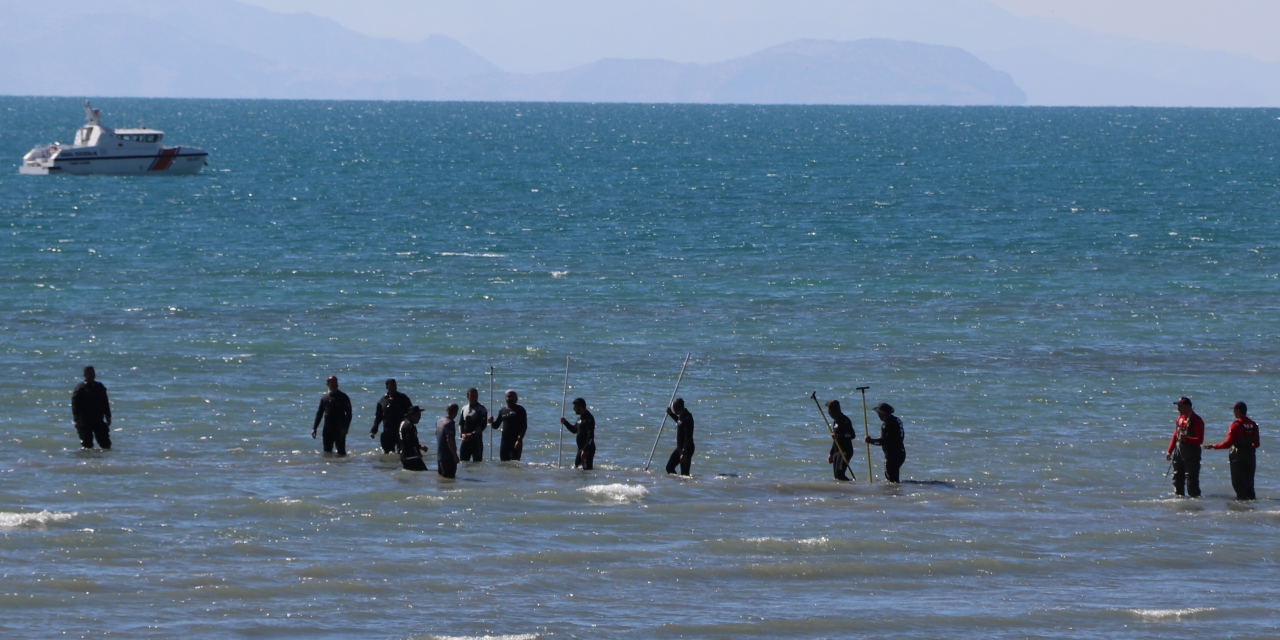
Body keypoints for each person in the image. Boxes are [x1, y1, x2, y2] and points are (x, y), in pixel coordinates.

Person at [1204, 401, 1260, 501]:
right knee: (1249, 483)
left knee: (1238, 483)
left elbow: (1228, 444)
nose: (1233, 413)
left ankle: (1242, 507)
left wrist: (1213, 446)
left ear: (1238, 411)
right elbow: (1256, 444)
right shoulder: (1254, 425)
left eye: (1234, 410)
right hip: (1251, 455)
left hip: (1238, 456)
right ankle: (1252, 504)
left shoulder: (1235, 425)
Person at [1166, 396, 1205, 497]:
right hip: (1179, 453)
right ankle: (1180, 501)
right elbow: (1175, 435)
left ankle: (1195, 503)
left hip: (1192, 454)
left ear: (1188, 407)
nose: (1178, 409)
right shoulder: (1179, 419)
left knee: (1191, 479)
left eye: (1180, 406)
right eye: (1178, 406)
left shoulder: (1197, 421)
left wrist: (1186, 439)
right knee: (1177, 478)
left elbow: (1199, 440)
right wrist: (1169, 451)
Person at [71, 366, 112, 449]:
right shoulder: (81, 388)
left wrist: (108, 416)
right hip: (85, 420)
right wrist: (76, 419)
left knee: (106, 444)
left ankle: (105, 460)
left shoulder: (99, 386)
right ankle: (88, 461)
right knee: (87, 445)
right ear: (85, 374)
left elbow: (105, 402)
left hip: (99, 419)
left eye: (93, 372)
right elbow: (75, 404)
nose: (92, 374)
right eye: (90, 372)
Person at [311, 375, 352, 456]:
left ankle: (341, 467)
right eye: (331, 382)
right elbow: (319, 413)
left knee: (341, 451)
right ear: (328, 384)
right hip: (327, 428)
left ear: (337, 384)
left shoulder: (343, 396)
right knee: (327, 451)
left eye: (335, 382)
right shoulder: (324, 397)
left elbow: (349, 414)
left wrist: (346, 427)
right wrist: (314, 428)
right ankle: (328, 467)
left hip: (339, 428)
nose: (333, 384)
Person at [865, 402, 906, 483]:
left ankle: (893, 494)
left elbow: (883, 441)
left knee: (891, 479)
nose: (878, 415)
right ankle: (895, 493)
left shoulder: (886, 424)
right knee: (893, 478)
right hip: (901, 453)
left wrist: (870, 441)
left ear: (882, 413)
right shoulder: (897, 420)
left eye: (878, 413)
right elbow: (901, 436)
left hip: (891, 456)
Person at [371, 378, 413, 454]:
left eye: (395, 385)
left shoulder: (403, 398)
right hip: (388, 431)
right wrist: (373, 430)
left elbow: (411, 412)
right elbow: (378, 416)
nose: (394, 386)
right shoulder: (383, 400)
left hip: (400, 430)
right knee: (388, 453)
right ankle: (390, 465)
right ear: (387, 386)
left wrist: (410, 425)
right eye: (391, 385)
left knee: (402, 451)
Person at [490, 390, 528, 461]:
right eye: (508, 396)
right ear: (505, 397)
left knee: (514, 464)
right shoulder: (502, 410)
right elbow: (495, 426)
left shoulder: (520, 409)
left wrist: (519, 440)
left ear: (516, 398)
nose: (510, 398)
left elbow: (524, 426)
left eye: (512, 396)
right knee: (504, 464)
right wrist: (491, 421)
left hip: (515, 442)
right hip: (504, 442)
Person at [560, 397, 596, 470]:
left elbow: (590, 436)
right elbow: (574, 430)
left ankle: (588, 481)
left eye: (575, 407)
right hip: (580, 449)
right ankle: (579, 481)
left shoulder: (588, 418)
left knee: (587, 470)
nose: (574, 409)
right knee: (577, 468)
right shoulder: (580, 418)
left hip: (587, 449)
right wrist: (565, 422)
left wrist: (585, 450)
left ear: (580, 407)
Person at [826, 399, 856, 481]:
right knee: (836, 476)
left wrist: (839, 436)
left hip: (845, 451)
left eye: (829, 411)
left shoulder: (845, 420)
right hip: (837, 451)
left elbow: (852, 435)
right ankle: (842, 492)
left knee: (840, 475)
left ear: (834, 411)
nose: (828, 413)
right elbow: (835, 440)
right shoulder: (835, 421)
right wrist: (831, 453)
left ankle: (852, 488)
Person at [664, 398, 695, 476]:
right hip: (680, 448)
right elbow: (679, 421)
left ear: (676, 408)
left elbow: (688, 437)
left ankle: (685, 486)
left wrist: (684, 453)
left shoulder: (688, 417)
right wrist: (670, 413)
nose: (673, 409)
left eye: (673, 408)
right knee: (669, 467)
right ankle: (677, 486)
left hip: (687, 449)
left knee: (684, 475)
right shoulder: (682, 415)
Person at [458, 388, 488, 462]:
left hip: (476, 440)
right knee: (463, 462)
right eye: (472, 396)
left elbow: (483, 425)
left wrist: (472, 435)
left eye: (475, 396)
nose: (474, 398)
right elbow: (460, 423)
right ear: (468, 396)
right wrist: (462, 434)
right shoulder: (464, 408)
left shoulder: (482, 409)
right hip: (465, 440)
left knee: (477, 464)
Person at [398, 406, 428, 471]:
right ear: (411, 415)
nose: (419, 417)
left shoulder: (404, 422)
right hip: (411, 456)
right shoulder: (409, 426)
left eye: (420, 415)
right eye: (417, 415)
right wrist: (418, 452)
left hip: (404, 455)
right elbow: (411, 442)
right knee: (423, 472)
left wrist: (419, 447)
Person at [436, 403, 461, 478]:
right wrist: (455, 455)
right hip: (448, 458)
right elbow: (449, 439)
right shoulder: (449, 423)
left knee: (442, 480)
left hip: (440, 457)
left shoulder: (439, 421)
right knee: (449, 481)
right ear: (456, 412)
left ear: (447, 410)